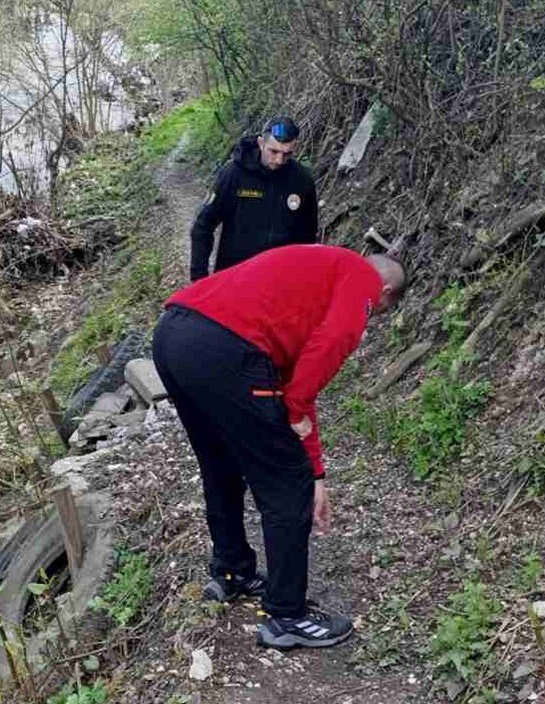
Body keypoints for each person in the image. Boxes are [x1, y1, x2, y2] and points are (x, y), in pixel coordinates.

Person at [152, 244, 406, 649]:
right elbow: (327, 351)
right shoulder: (362, 281)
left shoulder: (318, 274)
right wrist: (305, 472)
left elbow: (296, 396)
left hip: (173, 334)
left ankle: (231, 571)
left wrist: (318, 473)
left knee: (221, 462)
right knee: (287, 484)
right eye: (377, 313)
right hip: (227, 349)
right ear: (387, 292)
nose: (370, 317)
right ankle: (287, 616)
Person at [189, 117, 319, 281]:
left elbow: (308, 237)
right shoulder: (233, 175)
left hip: (281, 281)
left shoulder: (302, 181)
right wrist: (199, 278)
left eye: (287, 154)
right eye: (274, 151)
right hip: (235, 277)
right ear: (261, 143)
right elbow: (203, 226)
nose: (279, 160)